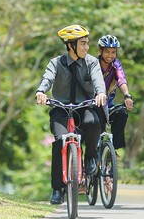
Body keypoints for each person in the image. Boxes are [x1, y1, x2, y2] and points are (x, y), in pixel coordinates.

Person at [35, 25, 107, 205]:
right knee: (59, 142)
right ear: (70, 46)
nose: (86, 47)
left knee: (94, 122)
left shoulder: (91, 62)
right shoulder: (56, 63)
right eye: (82, 44)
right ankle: (57, 189)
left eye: (87, 43)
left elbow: (98, 79)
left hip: (84, 107)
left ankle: (90, 156)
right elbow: (48, 78)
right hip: (61, 108)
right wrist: (41, 91)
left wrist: (100, 93)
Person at [97, 35, 134, 151]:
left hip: (108, 106)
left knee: (121, 113)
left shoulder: (116, 65)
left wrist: (127, 95)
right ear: (100, 51)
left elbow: (121, 80)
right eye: (107, 51)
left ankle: (113, 150)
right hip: (92, 106)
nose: (110, 55)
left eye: (113, 52)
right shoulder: (93, 64)